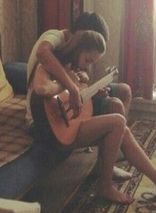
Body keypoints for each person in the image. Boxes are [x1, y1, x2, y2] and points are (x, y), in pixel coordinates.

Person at [27, 30, 156, 204]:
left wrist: (88, 90)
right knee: (117, 122)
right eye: (88, 60)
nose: (87, 65)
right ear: (78, 48)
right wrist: (66, 83)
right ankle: (105, 187)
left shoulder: (71, 67)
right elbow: (42, 89)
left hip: (66, 124)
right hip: (44, 128)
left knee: (123, 130)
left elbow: (72, 98)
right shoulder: (51, 63)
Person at [26, 12, 132, 180]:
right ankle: (111, 158)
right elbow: (43, 54)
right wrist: (71, 86)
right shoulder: (55, 36)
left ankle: (108, 158)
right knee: (116, 108)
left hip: (67, 94)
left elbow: (79, 78)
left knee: (124, 91)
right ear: (83, 36)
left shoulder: (76, 53)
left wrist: (88, 86)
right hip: (49, 106)